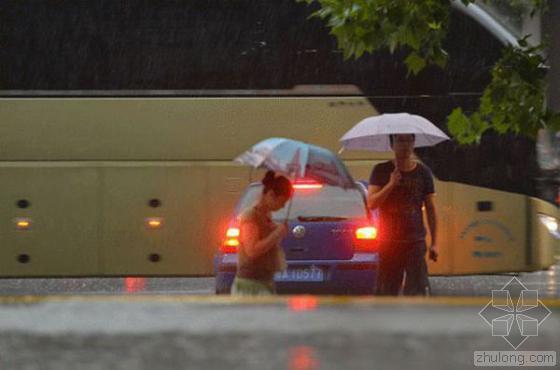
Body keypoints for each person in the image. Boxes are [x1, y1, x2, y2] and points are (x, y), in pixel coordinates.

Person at [367, 133, 438, 295]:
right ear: (392, 145)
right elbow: (372, 203)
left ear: (414, 143)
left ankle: (412, 319)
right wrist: (391, 184)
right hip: (388, 241)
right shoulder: (381, 170)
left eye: (409, 140)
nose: (405, 145)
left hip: (415, 241)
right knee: (386, 291)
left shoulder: (423, 172)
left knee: (417, 290)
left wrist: (435, 242)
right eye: (399, 140)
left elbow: (431, 208)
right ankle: (388, 319)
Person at [231, 170, 294, 296]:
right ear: (271, 195)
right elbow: (252, 250)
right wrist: (276, 234)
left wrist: (274, 230)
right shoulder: (251, 216)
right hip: (250, 285)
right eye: (282, 202)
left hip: (265, 281)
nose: (282, 206)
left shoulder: (266, 216)